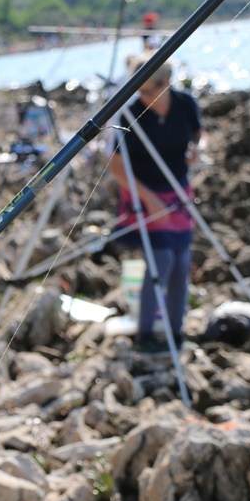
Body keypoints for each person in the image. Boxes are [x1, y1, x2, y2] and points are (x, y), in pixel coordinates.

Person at [108, 54, 203, 353]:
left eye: (150, 90)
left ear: (167, 83)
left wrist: (197, 150)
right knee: (161, 262)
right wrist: (148, 199)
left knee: (182, 262)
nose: (145, 96)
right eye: (140, 90)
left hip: (177, 192)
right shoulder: (131, 115)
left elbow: (199, 135)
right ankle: (145, 334)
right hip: (143, 195)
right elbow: (115, 165)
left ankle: (176, 331)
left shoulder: (185, 104)